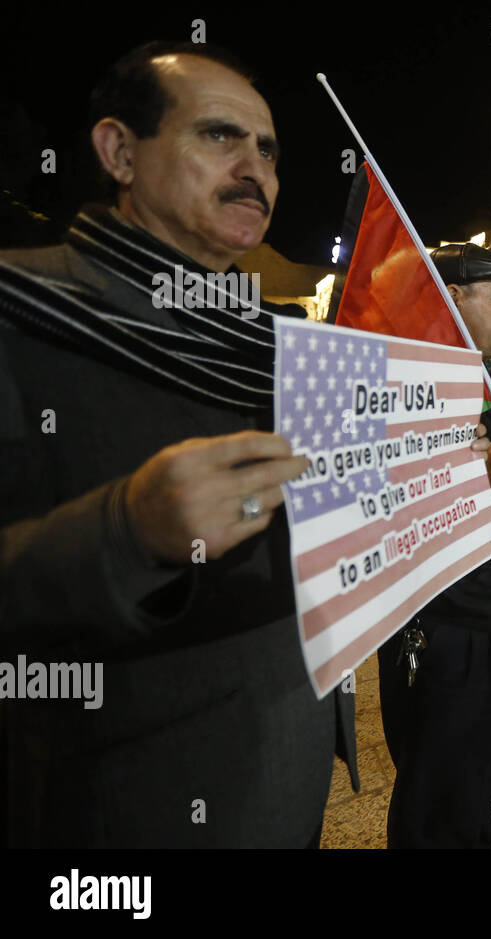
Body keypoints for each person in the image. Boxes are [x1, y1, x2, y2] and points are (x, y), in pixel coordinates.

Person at [0, 42, 358, 846]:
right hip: (122, 813)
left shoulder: (282, 344)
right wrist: (125, 530)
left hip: (292, 779)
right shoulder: (21, 310)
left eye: (268, 150)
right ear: (119, 151)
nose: (255, 168)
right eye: (219, 136)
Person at [376, 242, 491, 848]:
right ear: (451, 298)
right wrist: (482, 485)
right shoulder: (404, 387)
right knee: (440, 803)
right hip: (452, 639)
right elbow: (387, 521)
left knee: (486, 788)